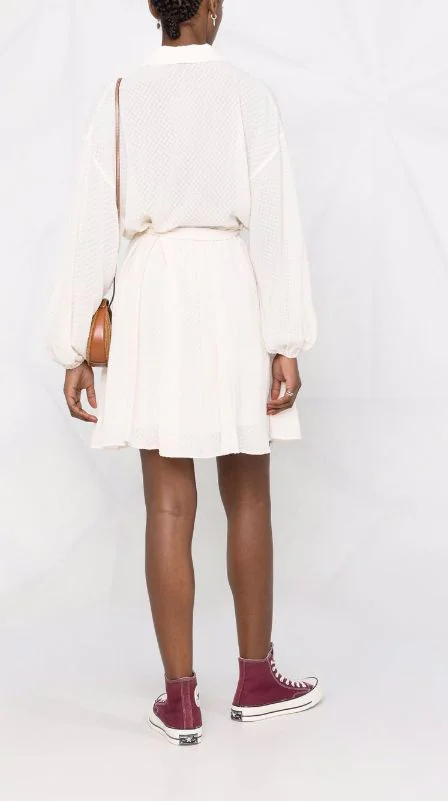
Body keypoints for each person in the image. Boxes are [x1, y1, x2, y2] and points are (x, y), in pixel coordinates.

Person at [45, 0, 321, 746]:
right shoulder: (248, 94)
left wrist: (74, 347)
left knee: (167, 506)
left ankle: (181, 699)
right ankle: (256, 680)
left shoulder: (121, 97)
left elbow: (90, 226)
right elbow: (277, 223)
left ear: (154, 9)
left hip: (153, 294)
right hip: (232, 290)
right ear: (210, 8)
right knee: (248, 493)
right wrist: (285, 339)